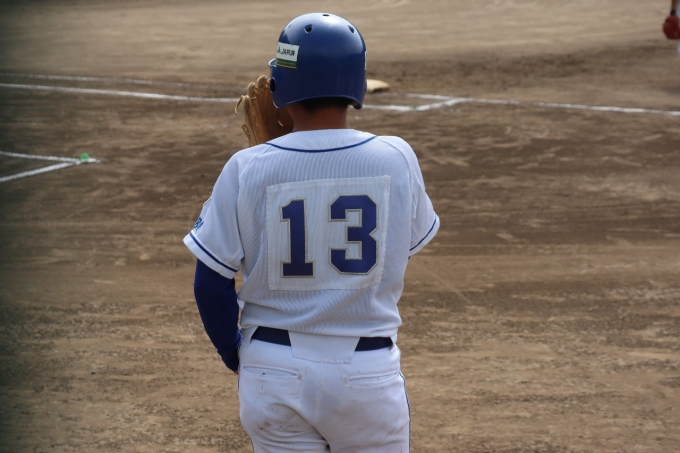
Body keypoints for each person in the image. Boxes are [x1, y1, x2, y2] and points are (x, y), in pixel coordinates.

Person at [184, 12, 439, 452]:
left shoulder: (247, 167)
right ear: (356, 84)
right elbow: (401, 246)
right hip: (366, 373)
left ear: (280, 86)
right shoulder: (396, 157)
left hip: (273, 369)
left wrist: (237, 355)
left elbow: (210, 283)